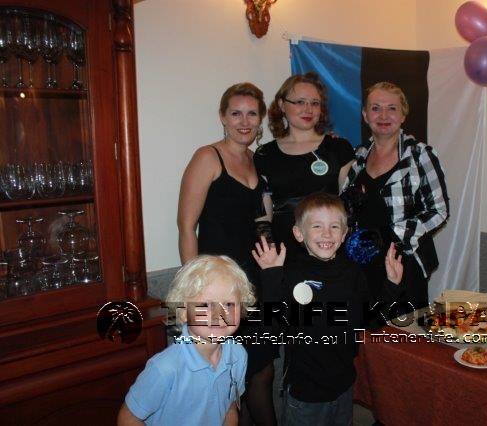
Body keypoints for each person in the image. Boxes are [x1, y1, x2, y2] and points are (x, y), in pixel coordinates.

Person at [251, 192, 402, 425]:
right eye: (317, 226)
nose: (327, 233)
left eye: (334, 226)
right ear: (299, 233)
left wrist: (391, 285)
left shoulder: (353, 274)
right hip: (305, 394)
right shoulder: (290, 275)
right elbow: (271, 331)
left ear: (344, 234)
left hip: (344, 387)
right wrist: (271, 276)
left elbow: (370, 321)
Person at [176, 83, 277, 425]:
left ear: (261, 119)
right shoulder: (208, 157)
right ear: (222, 117)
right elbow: (186, 227)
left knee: (259, 372)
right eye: (236, 113)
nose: (244, 122)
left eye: (252, 114)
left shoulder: (255, 160)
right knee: (233, 381)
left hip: (254, 284)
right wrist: (193, 294)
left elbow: (258, 220)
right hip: (218, 288)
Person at [340, 81, 449, 312]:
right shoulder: (358, 156)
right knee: (366, 328)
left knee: (402, 330)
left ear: (403, 115)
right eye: (375, 108)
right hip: (361, 263)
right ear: (365, 115)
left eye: (392, 108)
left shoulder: (419, 155)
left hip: (404, 262)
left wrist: (390, 234)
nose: (383, 115)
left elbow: (439, 211)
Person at [117, 255, 256, 425]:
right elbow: (127, 418)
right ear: (183, 312)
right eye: (206, 305)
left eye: (229, 304)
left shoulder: (238, 356)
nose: (219, 315)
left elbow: (230, 407)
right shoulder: (165, 368)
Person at [254, 73, 355, 256]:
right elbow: (263, 215)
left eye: (315, 103)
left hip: (329, 249)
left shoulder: (339, 148)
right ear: (281, 105)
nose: (308, 109)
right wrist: (269, 253)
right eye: (300, 102)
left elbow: (351, 207)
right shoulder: (265, 154)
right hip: (284, 252)